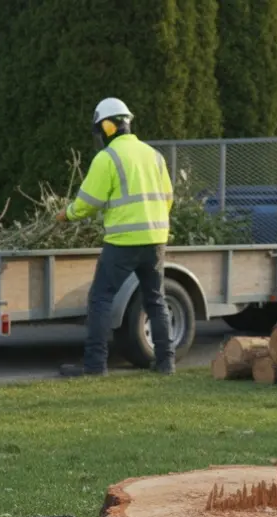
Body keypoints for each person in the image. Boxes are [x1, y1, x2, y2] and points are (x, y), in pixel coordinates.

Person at [56, 98, 176, 377]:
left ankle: (95, 365)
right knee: (156, 300)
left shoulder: (108, 158)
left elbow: (88, 201)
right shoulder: (155, 156)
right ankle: (165, 363)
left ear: (109, 126)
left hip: (122, 242)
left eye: (101, 129)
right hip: (156, 240)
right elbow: (168, 198)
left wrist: (68, 215)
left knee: (100, 298)